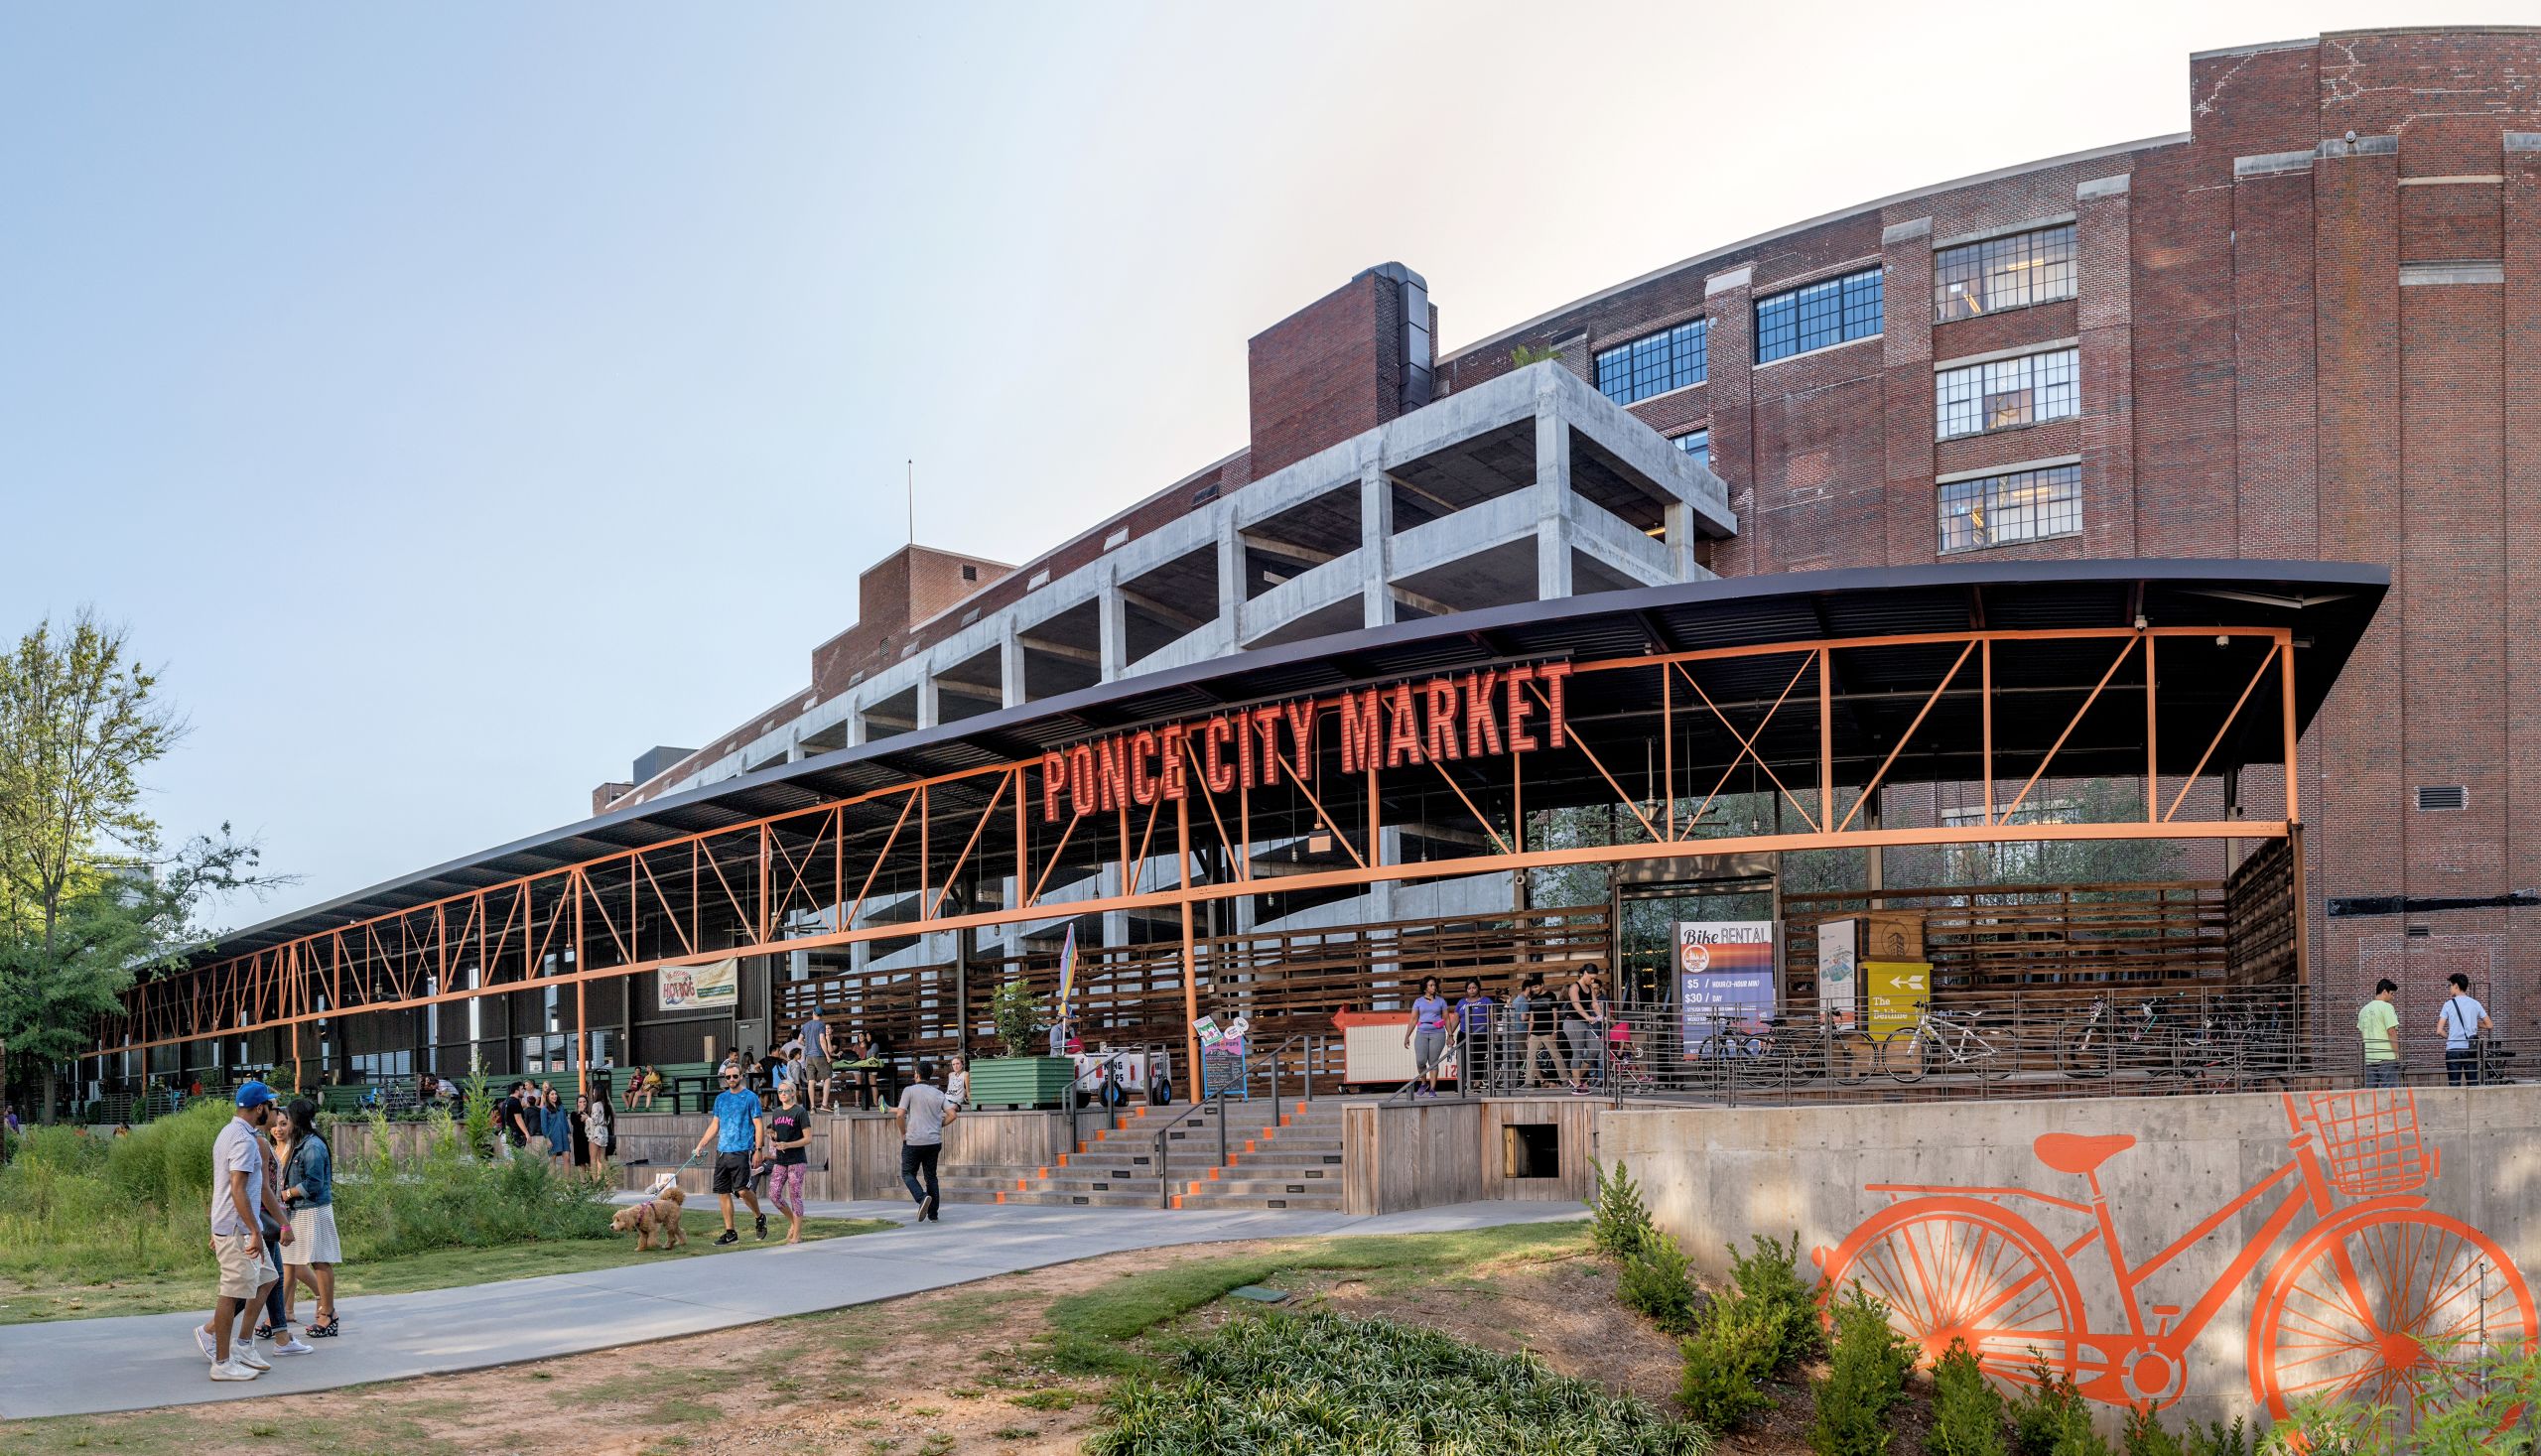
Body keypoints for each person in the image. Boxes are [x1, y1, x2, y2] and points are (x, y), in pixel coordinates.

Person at [199, 1081, 289, 1382]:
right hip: (238, 1229)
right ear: (260, 1107)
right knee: (231, 1292)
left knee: (268, 1278)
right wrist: (253, 1231)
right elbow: (237, 1188)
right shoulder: (243, 1139)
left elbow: (237, 1188)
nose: (273, 1111)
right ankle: (222, 1362)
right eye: (270, 1106)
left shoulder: (233, 1132)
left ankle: (244, 1345)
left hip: (238, 1226)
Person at [278, 1098, 340, 1338]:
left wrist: (287, 1193)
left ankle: (328, 1314)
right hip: (301, 1210)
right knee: (295, 1261)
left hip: (313, 1210)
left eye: (288, 1119)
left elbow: (314, 1183)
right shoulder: (301, 1142)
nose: (285, 1124)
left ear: (296, 1121)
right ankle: (282, 1313)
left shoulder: (312, 1146)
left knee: (320, 1260)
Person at [689, 1062, 767, 1244]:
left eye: (734, 1076)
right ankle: (730, 1233)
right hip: (723, 1151)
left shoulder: (750, 1098)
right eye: (728, 1077)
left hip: (742, 1150)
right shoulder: (721, 1099)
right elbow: (715, 1125)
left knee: (742, 1191)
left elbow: (758, 1125)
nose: (731, 1079)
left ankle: (759, 1216)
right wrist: (701, 1144)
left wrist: (758, 1150)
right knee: (723, 1192)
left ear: (741, 1076)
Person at [257, 1114, 314, 1357]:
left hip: (281, 1213)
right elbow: (261, 1187)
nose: (279, 1128)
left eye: (284, 1123)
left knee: (280, 1273)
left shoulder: (293, 1148)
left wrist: (286, 1199)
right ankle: (216, 1329)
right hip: (269, 1216)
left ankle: (281, 1331)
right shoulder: (260, 1143)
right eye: (275, 1119)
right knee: (270, 1276)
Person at [893, 1059, 956, 1223]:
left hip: (913, 1140)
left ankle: (922, 1199)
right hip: (933, 1141)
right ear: (930, 1075)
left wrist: (903, 1133)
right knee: (931, 1177)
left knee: (907, 1174)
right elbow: (952, 1115)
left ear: (917, 1074)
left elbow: (900, 1114)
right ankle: (933, 1215)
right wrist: (938, 1124)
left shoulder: (910, 1090)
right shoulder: (938, 1093)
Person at [764, 1080, 813, 1244]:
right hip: (781, 1159)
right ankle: (793, 1222)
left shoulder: (800, 1112)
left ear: (793, 1093)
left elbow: (807, 1139)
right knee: (774, 1194)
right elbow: (778, 1134)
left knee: (795, 1196)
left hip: (797, 1160)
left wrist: (788, 1145)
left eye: (786, 1091)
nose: (783, 1094)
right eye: (780, 1091)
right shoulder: (777, 1112)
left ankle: (797, 1235)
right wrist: (773, 1136)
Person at [2438, 972, 2492, 1087]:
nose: (2449, 988)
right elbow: (2489, 1025)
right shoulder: (2475, 1003)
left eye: (2450, 986)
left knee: (2454, 1086)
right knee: (2473, 1085)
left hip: (2453, 1049)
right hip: (2471, 1049)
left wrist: (2450, 1037)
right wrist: (2473, 1024)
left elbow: (2439, 1030)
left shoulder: (2448, 1005)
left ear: (2456, 986)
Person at [1519, 972, 1570, 1091]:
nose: (1534, 989)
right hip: (1535, 1033)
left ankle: (1565, 1079)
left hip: (1548, 1031)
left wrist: (1555, 1031)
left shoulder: (1551, 995)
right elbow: (1531, 1017)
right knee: (1530, 1057)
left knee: (1555, 1055)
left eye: (1536, 986)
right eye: (1532, 987)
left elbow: (1555, 1015)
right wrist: (1528, 1034)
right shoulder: (1532, 999)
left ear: (1542, 985)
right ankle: (1529, 1082)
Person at [1403, 977, 1452, 1099]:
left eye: (1434, 985)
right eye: (1431, 985)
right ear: (1425, 987)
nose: (1433, 987)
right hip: (1422, 1032)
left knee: (1433, 1062)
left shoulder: (1441, 1001)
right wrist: (1407, 1036)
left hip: (1438, 1033)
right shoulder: (1418, 1001)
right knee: (1420, 1060)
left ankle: (1433, 1089)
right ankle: (1424, 1083)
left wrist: (1450, 1035)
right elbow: (1413, 1019)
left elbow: (1446, 1018)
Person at [1563, 967, 1609, 1094]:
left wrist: (1600, 1016)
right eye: (1591, 977)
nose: (1593, 980)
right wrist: (1588, 1017)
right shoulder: (1575, 987)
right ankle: (1577, 1084)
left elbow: (1594, 1004)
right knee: (1577, 1053)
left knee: (1595, 1048)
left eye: (1594, 978)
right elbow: (1576, 1004)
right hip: (1572, 1022)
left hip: (1584, 1023)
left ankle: (1575, 1077)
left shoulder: (1590, 988)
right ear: (1585, 973)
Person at [1453, 978, 1496, 1093]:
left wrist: (1494, 1033)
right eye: (1469, 988)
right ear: (1466, 990)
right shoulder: (1461, 1003)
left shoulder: (1486, 1001)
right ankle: (1462, 1083)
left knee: (1478, 1058)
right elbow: (1456, 1019)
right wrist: (1450, 1035)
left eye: (1474, 987)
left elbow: (1492, 1018)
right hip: (1464, 1034)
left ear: (1478, 988)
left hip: (1480, 1034)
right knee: (1462, 1059)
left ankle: (1476, 1084)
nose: (1471, 990)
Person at [2359, 979, 2402, 1088]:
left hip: (2369, 1059)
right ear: (2384, 992)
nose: (2393, 997)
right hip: (2387, 1058)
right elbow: (2391, 1032)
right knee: (2390, 1094)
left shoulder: (2363, 1011)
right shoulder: (2387, 1007)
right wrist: (2397, 1055)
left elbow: (2363, 1036)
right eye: (2391, 994)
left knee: (2370, 1095)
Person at [801, 1008, 834, 1113]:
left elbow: (799, 1040)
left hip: (808, 1057)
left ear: (813, 1013)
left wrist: (807, 1047)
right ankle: (824, 1104)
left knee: (811, 1081)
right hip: (819, 1055)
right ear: (821, 1015)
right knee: (828, 1077)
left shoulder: (805, 1025)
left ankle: (812, 1107)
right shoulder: (821, 1025)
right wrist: (827, 1056)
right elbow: (822, 1040)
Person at [585, 1080, 616, 1180]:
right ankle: (610, 1181)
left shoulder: (596, 1105)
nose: (593, 1093)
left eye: (594, 1091)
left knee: (593, 1159)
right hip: (604, 1132)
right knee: (602, 1159)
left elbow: (594, 1120)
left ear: (597, 1093)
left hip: (596, 1133)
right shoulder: (607, 1105)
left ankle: (594, 1182)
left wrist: (586, 1118)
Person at [540, 1085, 573, 1164]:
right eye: (552, 1094)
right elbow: (544, 1126)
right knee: (552, 1160)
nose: (555, 1096)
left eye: (555, 1094)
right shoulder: (544, 1109)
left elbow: (565, 1121)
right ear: (547, 1096)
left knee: (567, 1158)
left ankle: (566, 1177)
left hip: (564, 1135)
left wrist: (568, 1134)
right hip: (552, 1137)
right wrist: (547, 1139)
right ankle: (552, 1177)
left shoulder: (561, 1107)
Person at [570, 1093, 594, 1169]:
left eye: (584, 1101)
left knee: (590, 1160)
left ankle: (592, 1179)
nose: (582, 1103)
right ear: (577, 1103)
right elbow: (574, 1122)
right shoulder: (573, 1114)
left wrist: (587, 1117)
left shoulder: (590, 1113)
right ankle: (582, 1181)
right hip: (578, 1140)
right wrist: (580, 1113)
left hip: (589, 1139)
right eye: (580, 1102)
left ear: (587, 1102)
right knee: (581, 1162)